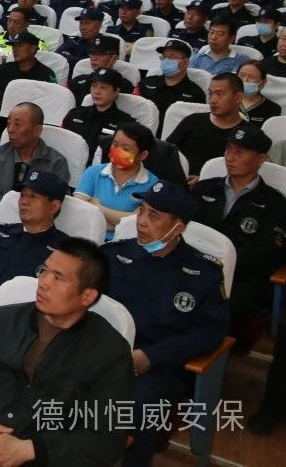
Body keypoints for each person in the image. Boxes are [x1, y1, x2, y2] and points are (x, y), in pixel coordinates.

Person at [0, 238, 134, 466]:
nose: (43, 282)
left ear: (87, 296)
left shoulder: (110, 352)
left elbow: (108, 436)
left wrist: (32, 449)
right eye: (44, 270)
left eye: (58, 277)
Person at [106, 182, 229, 467]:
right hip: (105, 353)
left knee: (138, 409)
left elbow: (210, 331)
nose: (141, 221)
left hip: (157, 368)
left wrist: (151, 356)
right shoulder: (113, 256)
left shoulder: (203, 273)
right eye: (141, 211)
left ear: (178, 228)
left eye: (154, 216)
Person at [190, 124, 286, 333]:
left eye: (239, 152)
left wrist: (217, 262)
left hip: (239, 280)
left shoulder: (274, 203)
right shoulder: (203, 189)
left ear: (260, 159)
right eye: (228, 150)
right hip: (190, 268)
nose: (230, 158)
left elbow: (264, 253)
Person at [0, 170, 68, 307]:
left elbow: (60, 297)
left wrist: (6, 299)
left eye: (33, 196)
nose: (24, 202)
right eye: (22, 195)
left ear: (54, 206)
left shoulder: (65, 250)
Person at [0, 103, 71, 209]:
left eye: (17, 124)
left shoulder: (56, 163)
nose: (10, 129)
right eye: (8, 123)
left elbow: (57, 202)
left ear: (37, 130)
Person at [73, 121, 158, 236]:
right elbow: (78, 209)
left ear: (143, 155)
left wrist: (98, 208)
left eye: (126, 149)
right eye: (115, 144)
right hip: (86, 237)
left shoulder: (153, 185)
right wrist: (119, 222)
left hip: (125, 242)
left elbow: (138, 222)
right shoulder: (93, 172)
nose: (117, 151)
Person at [166, 72, 246, 181]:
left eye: (219, 94)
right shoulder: (193, 121)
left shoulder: (247, 134)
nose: (212, 100)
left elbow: (245, 174)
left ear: (238, 97)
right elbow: (167, 153)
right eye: (210, 93)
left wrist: (203, 180)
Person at [61, 67, 134, 157]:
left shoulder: (126, 124)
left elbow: (125, 156)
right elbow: (61, 143)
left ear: (116, 92)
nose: (97, 92)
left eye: (103, 87)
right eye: (94, 86)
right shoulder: (74, 114)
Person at [136, 39, 205, 123]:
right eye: (164, 57)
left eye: (172, 57)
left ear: (186, 62)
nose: (166, 60)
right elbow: (134, 109)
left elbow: (196, 123)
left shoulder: (196, 94)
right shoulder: (145, 83)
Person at [0, 30, 57, 97]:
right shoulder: (3, 69)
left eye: (19, 45)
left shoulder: (46, 75)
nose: (14, 50)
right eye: (13, 46)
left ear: (33, 49)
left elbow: (51, 99)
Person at [237, 59, 281, 126]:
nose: (245, 80)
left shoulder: (273, 108)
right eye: (242, 75)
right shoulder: (227, 100)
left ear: (263, 82)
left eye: (251, 77)